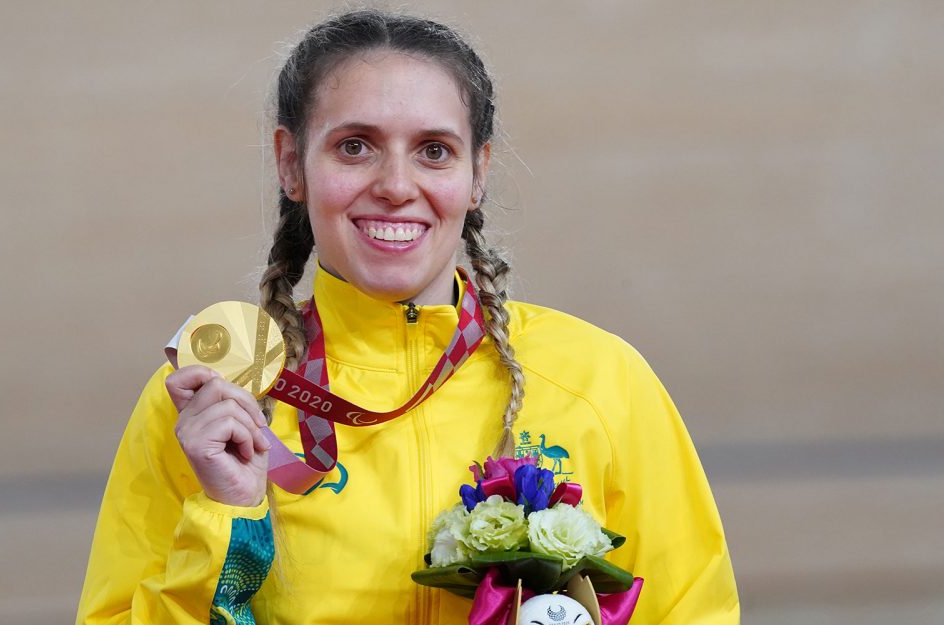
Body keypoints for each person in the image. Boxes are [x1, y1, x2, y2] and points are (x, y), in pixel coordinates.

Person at [77, 9, 739, 625]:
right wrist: (226, 516)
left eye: (433, 150)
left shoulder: (600, 380)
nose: (396, 185)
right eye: (355, 146)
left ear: (477, 172)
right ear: (290, 163)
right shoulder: (210, 403)